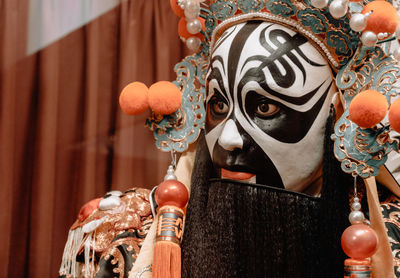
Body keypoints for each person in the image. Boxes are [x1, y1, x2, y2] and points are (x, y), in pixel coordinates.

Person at [59, 0, 400, 277]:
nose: (229, 138)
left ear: (342, 115)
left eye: (265, 107)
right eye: (219, 105)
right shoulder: (116, 233)